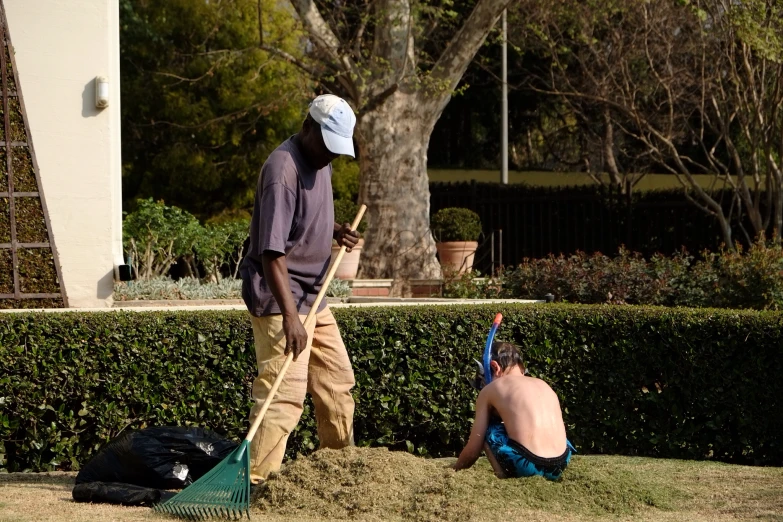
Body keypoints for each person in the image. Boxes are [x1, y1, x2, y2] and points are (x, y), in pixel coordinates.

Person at [239, 94, 360, 484]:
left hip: (314, 293)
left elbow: (302, 221)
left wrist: (336, 229)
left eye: (337, 149)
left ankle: (337, 470)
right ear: (308, 126)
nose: (331, 156)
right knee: (283, 394)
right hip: (279, 297)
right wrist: (291, 318)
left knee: (336, 381)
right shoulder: (282, 171)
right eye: (327, 145)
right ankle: (256, 481)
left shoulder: (318, 161)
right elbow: (272, 252)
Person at [453, 342, 576, 480]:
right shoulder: (544, 384)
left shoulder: (491, 389)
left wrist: (455, 468)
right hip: (559, 464)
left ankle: (505, 476)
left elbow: (473, 451)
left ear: (495, 367)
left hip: (526, 465)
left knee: (489, 428)